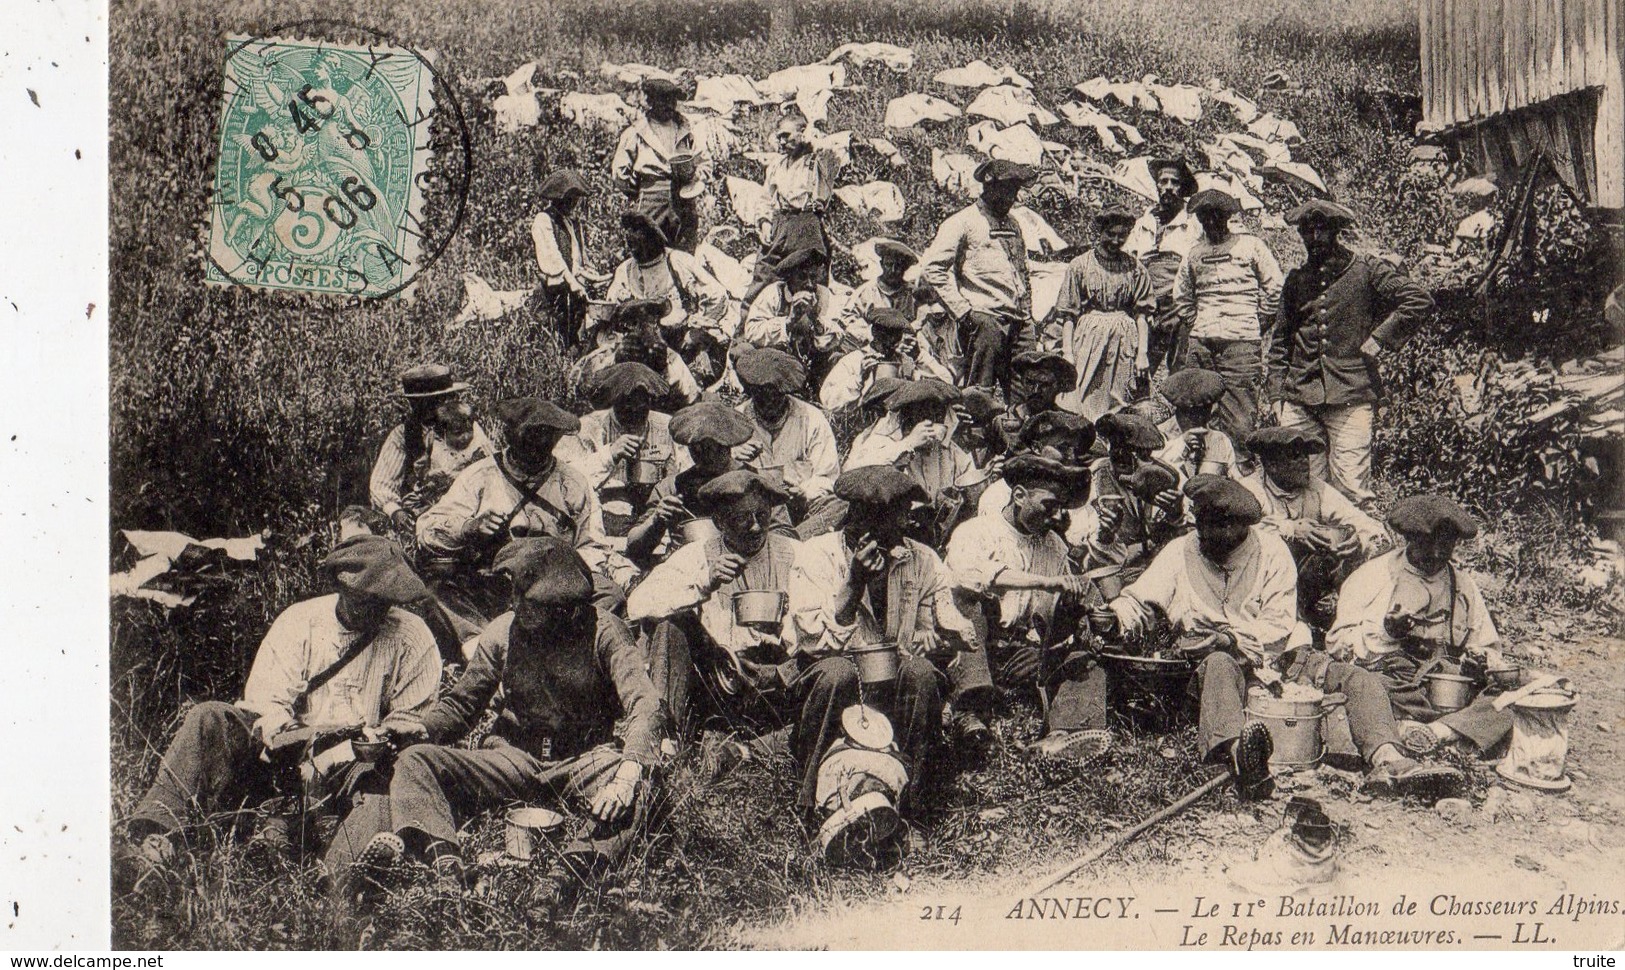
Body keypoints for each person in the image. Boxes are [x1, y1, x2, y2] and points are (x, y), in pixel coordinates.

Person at [328, 538, 662, 911]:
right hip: (514, 756)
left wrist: (627, 774)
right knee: (414, 761)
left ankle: (566, 875)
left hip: (583, 758)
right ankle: (447, 871)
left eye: (528, 601)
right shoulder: (503, 631)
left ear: (564, 609)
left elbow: (644, 701)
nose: (515, 606)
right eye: (515, 595)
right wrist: (423, 729)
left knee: (644, 787)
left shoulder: (605, 632)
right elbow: (464, 702)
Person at [1093, 476, 1461, 802]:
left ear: (1246, 528)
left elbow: (1279, 625)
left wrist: (1233, 638)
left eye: (1228, 533)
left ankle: (1389, 760)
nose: (1216, 539)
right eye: (1208, 529)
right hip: (1214, 665)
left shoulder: (1271, 553)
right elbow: (1138, 601)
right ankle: (1243, 758)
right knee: (1220, 665)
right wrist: (1116, 617)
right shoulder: (1181, 551)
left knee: (1355, 678)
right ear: (1198, 522)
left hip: (1283, 657)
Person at [114, 536, 441, 890]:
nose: (374, 610)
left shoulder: (413, 638)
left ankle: (338, 877)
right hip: (284, 757)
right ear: (341, 588)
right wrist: (301, 740)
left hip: (358, 766)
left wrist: (369, 742)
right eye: (364, 600)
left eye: (384, 602)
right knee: (210, 717)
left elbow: (409, 723)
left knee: (387, 780)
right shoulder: (301, 621)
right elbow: (265, 705)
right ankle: (156, 837)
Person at [785, 466, 977, 859]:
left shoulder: (920, 559)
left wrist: (940, 635)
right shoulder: (816, 556)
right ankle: (810, 810)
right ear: (863, 520)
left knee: (923, 675)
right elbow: (811, 640)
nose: (908, 522)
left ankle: (912, 808)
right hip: (832, 686)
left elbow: (938, 615)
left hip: (893, 686)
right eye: (898, 515)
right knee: (837, 671)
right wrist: (854, 586)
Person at [416, 397, 625, 640]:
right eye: (528, 439)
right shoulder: (480, 476)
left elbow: (591, 543)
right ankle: (485, 647)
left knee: (610, 595)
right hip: (496, 582)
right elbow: (427, 531)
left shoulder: (572, 482)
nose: (536, 447)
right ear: (509, 436)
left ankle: (557, 644)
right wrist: (468, 527)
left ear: (556, 439)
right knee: (437, 591)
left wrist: (566, 578)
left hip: (557, 586)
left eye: (546, 439)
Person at [1268, 200, 1434, 507]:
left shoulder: (1366, 270)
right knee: (1303, 490)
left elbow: (1417, 299)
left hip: (1351, 393)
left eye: (1322, 231)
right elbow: (1281, 341)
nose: (1314, 239)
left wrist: (1381, 339)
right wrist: (1277, 394)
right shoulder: (1295, 281)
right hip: (1300, 397)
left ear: (1337, 232)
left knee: (1350, 488)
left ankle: (1359, 550)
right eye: (1307, 232)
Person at [1329, 495, 1523, 756]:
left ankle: (1436, 732)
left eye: (1445, 546)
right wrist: (1387, 633)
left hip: (1450, 691)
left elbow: (1486, 645)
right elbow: (1338, 646)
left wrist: (1481, 660)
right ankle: (1452, 733)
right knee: (1365, 689)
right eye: (1427, 544)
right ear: (1410, 539)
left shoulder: (1463, 586)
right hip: (1393, 686)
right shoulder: (1373, 577)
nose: (1436, 554)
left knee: (1511, 698)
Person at [946, 455, 1112, 760]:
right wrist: (1045, 583)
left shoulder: (1053, 545)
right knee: (970, 604)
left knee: (1082, 662)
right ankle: (970, 713)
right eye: (1048, 505)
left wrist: (1071, 608)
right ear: (1020, 495)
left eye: (1061, 508)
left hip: (1019, 649)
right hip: (970, 647)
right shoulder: (976, 531)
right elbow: (974, 578)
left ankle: (1064, 736)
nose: (1055, 516)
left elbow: (1047, 615)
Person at [629, 471, 802, 739]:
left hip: (777, 677)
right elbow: (637, 604)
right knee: (671, 626)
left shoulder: (792, 553)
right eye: (743, 518)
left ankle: (757, 742)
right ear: (720, 521)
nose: (755, 527)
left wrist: (780, 665)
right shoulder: (697, 555)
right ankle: (665, 737)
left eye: (762, 516)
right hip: (718, 678)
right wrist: (705, 583)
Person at [1237, 426, 1387, 631]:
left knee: (1344, 538)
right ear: (1271, 465)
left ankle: (1354, 617)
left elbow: (1358, 518)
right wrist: (1290, 530)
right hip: (1260, 580)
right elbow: (1241, 533)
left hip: (1304, 575)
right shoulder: (1249, 489)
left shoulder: (1315, 488)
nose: (1304, 463)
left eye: (1306, 457)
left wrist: (1360, 538)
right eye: (1295, 457)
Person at [1171, 189, 1283, 452]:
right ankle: (1197, 470)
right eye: (1204, 217)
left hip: (1241, 344)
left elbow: (1275, 289)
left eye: (1216, 216)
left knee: (1240, 417)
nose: (1210, 222)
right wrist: (1199, 323)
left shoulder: (1251, 245)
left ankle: (1239, 471)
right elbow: (1182, 296)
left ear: (1227, 216)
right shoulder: (1194, 253)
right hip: (1202, 342)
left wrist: (1255, 323)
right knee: (1193, 411)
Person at [623, 400, 792, 568]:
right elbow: (635, 549)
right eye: (696, 448)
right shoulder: (671, 488)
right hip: (689, 569)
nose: (703, 455)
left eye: (711, 447)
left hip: (749, 565)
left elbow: (786, 537)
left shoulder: (758, 481)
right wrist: (656, 521)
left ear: (727, 444)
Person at [920, 159, 1038, 390]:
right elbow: (933, 269)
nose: (1012, 198)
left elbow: (1021, 271)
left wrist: (1028, 315)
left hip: (1019, 322)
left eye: (1015, 191)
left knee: (1025, 389)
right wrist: (965, 313)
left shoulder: (1014, 224)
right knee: (981, 391)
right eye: (1006, 191)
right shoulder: (962, 222)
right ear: (989, 187)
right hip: (986, 320)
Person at [844, 379, 990, 544]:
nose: (930, 422)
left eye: (936, 415)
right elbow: (856, 479)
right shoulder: (882, 442)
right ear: (906, 416)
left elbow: (971, 483)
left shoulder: (949, 450)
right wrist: (909, 445)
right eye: (920, 415)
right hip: (891, 535)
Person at [604, 211, 733, 389]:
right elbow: (614, 306)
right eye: (631, 243)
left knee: (692, 381)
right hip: (644, 341)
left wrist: (697, 329)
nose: (634, 247)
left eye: (639, 239)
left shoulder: (678, 261)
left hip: (682, 339)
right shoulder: (625, 270)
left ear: (653, 238)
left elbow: (717, 295)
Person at [1053, 204, 1154, 419]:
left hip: (1124, 342)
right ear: (1100, 232)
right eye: (1110, 234)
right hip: (1089, 341)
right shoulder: (1079, 266)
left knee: (1121, 400)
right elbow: (1068, 315)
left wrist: (1142, 353)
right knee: (1083, 396)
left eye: (1122, 236)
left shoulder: (1135, 268)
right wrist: (1068, 353)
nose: (1116, 241)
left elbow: (1142, 315)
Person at [369, 364, 492, 537]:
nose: (430, 406)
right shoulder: (403, 434)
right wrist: (396, 512)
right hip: (425, 511)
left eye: (438, 399)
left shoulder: (466, 427)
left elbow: (490, 466)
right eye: (420, 401)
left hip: (468, 509)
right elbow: (381, 484)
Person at [740, 111, 842, 315]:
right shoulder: (777, 165)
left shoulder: (820, 161)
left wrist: (810, 135)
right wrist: (764, 222)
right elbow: (765, 198)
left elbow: (835, 152)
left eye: (786, 135)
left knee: (809, 280)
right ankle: (750, 326)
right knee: (764, 274)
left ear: (803, 133)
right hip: (779, 224)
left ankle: (809, 333)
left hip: (807, 225)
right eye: (779, 136)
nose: (781, 141)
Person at [734, 348, 844, 536]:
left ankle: (789, 539)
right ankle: (793, 542)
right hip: (753, 511)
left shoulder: (811, 418)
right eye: (761, 395)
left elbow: (828, 476)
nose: (768, 402)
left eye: (775, 395)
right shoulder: (736, 421)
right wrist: (733, 455)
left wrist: (803, 492)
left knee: (841, 506)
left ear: (785, 392)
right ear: (751, 391)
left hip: (801, 508)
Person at [612, 77, 710, 252]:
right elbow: (620, 173)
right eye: (664, 100)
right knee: (648, 250)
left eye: (673, 100)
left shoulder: (686, 129)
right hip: (652, 198)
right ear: (650, 101)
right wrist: (641, 189)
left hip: (684, 199)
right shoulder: (636, 133)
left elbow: (704, 161)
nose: (669, 105)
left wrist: (694, 177)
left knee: (684, 252)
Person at [1081, 411, 1185, 575]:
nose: (1125, 458)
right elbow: (1085, 547)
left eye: (1135, 453)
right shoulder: (1096, 477)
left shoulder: (1164, 476)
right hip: (1114, 567)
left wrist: (1176, 515)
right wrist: (1106, 535)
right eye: (1118, 450)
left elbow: (1180, 535)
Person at [1125, 153, 1202, 374]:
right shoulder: (1144, 221)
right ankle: (1138, 405)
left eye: (1174, 182)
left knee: (1180, 365)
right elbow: (1130, 259)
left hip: (1180, 304)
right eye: (1163, 181)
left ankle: (1180, 406)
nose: (1168, 187)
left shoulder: (1193, 222)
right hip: (1146, 302)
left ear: (1183, 187)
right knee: (1138, 363)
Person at [975, 411, 1097, 549]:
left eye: (1075, 449)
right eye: (1063, 448)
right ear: (1037, 447)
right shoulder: (998, 495)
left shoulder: (1073, 491)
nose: (1071, 456)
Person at [743, 248, 852, 390]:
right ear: (789, 277)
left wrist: (815, 319)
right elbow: (752, 332)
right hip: (778, 362)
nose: (809, 284)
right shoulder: (774, 293)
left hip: (815, 363)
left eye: (813, 277)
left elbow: (838, 335)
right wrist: (789, 321)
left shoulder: (823, 295)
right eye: (802, 277)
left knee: (840, 359)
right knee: (745, 352)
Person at [576, 298, 703, 409]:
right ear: (630, 326)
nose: (650, 328)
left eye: (652, 323)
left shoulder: (671, 358)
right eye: (639, 324)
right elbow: (588, 384)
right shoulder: (609, 355)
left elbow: (688, 395)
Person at [819, 307, 952, 413]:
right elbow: (829, 401)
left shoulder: (906, 359)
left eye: (896, 337)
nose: (891, 343)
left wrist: (918, 356)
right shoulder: (855, 360)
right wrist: (859, 378)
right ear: (875, 333)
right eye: (886, 337)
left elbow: (947, 384)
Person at [531, 169, 604, 350]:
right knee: (552, 338)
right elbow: (553, 258)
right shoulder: (543, 221)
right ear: (557, 198)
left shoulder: (572, 224)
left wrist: (596, 277)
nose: (573, 203)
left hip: (571, 292)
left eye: (576, 198)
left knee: (574, 338)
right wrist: (572, 282)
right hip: (552, 292)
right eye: (569, 198)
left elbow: (579, 260)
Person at [1153, 367, 1237, 481]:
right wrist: (1181, 444)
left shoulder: (1220, 440)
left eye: (1204, 413)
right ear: (1179, 411)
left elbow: (1235, 478)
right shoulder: (1159, 435)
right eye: (1191, 414)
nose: (1199, 420)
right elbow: (1150, 470)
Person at [836, 239, 926, 340]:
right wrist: (871, 335)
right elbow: (848, 319)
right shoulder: (867, 291)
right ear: (882, 264)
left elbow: (924, 321)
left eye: (898, 266)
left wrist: (909, 335)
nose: (892, 271)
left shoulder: (913, 294)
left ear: (905, 268)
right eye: (889, 264)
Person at [991, 350, 1078, 454]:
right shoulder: (1002, 422)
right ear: (1022, 382)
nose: (1036, 390)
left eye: (1044, 384)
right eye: (1030, 383)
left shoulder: (1069, 424)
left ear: (1058, 387)